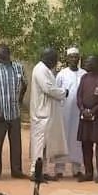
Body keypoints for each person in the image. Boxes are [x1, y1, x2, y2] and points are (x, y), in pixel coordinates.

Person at [0, 44, 26, 181]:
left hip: (14, 113)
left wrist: (20, 99)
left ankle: (17, 170)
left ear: (8, 54)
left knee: (16, 144)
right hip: (0, 115)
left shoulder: (18, 68)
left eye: (0, 53)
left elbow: (24, 84)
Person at [29, 48, 68, 179]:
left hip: (47, 114)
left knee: (46, 146)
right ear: (49, 59)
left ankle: (43, 172)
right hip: (41, 115)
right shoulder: (40, 69)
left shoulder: (46, 70)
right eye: (54, 59)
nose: (55, 62)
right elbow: (49, 89)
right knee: (39, 145)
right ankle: (35, 171)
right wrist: (64, 92)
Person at [76, 55, 98, 183]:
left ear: (97, 63)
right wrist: (82, 109)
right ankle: (88, 173)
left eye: (89, 62)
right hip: (85, 117)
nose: (86, 63)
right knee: (86, 145)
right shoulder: (84, 77)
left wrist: (93, 111)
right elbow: (79, 96)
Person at [55, 47, 85, 178]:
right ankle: (59, 169)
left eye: (76, 56)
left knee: (77, 140)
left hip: (79, 112)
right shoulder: (62, 74)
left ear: (79, 58)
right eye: (71, 56)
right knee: (62, 139)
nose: (74, 59)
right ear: (67, 59)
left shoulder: (84, 74)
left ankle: (76, 169)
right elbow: (56, 91)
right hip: (64, 112)